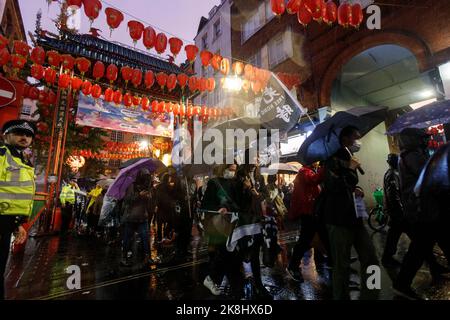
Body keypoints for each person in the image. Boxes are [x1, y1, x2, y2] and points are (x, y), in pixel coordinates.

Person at [323, 126, 380, 300]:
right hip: (338, 220)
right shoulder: (330, 159)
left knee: (371, 259)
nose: (358, 139)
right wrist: (349, 169)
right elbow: (332, 186)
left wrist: (357, 189)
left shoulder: (348, 155)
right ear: (345, 138)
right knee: (342, 266)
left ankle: (372, 295)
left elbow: (348, 184)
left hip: (355, 217)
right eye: (355, 136)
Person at [393, 129, 450, 299]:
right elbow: (430, 176)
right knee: (419, 248)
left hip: (425, 209)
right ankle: (402, 283)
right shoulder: (412, 156)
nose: (426, 141)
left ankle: (434, 267)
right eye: (423, 138)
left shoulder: (413, 154)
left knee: (439, 239)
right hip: (422, 210)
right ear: (413, 140)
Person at [0, 120, 36, 300]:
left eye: (28, 135)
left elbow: (18, 195)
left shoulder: (24, 162)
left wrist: (19, 223)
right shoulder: (1, 156)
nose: (24, 137)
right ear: (5, 135)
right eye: (19, 133)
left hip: (8, 222)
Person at [200, 164, 242, 297]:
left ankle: (233, 287)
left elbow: (236, 203)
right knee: (226, 254)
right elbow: (205, 204)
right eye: (231, 169)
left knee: (229, 255)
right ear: (224, 168)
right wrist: (219, 209)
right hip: (217, 224)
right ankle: (213, 279)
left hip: (232, 224)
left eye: (235, 170)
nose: (232, 172)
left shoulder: (234, 183)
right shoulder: (214, 183)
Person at [286, 162, 327, 282]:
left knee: (322, 235)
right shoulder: (304, 171)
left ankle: (334, 259)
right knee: (305, 240)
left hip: (314, 211)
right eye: (315, 160)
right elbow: (314, 180)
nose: (318, 162)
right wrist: (325, 168)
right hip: (308, 212)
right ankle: (293, 266)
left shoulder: (312, 170)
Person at [155, 171, 191, 261]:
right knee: (170, 225)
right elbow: (173, 197)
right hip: (169, 210)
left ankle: (162, 241)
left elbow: (158, 198)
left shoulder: (160, 187)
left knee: (162, 226)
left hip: (163, 210)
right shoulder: (170, 187)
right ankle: (168, 240)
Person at [120, 169, 152, 267]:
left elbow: (149, 203)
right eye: (144, 176)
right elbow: (127, 200)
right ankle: (124, 257)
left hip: (143, 216)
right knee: (127, 239)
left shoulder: (147, 188)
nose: (146, 179)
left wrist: (149, 197)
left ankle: (147, 257)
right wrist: (139, 195)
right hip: (131, 217)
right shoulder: (132, 186)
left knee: (145, 238)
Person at [381, 154, 404, 267]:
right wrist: (401, 212)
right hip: (397, 213)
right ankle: (386, 258)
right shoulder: (392, 175)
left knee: (393, 236)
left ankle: (387, 258)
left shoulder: (392, 173)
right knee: (393, 236)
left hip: (396, 213)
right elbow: (393, 196)